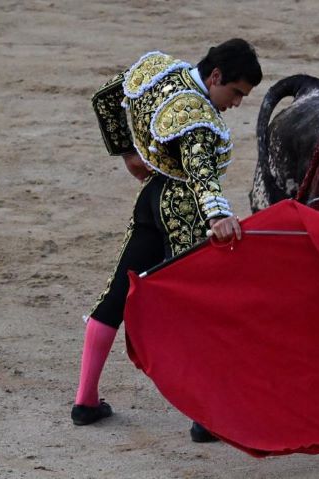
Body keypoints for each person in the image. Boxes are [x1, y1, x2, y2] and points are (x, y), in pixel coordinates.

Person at [71, 39, 262, 443]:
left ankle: (85, 401)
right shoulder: (197, 116)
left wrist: (127, 152)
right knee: (194, 306)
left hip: (151, 199)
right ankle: (203, 418)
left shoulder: (159, 71)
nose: (236, 103)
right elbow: (200, 171)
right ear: (215, 76)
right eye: (235, 92)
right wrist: (218, 215)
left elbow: (106, 98)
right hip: (184, 209)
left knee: (115, 294)